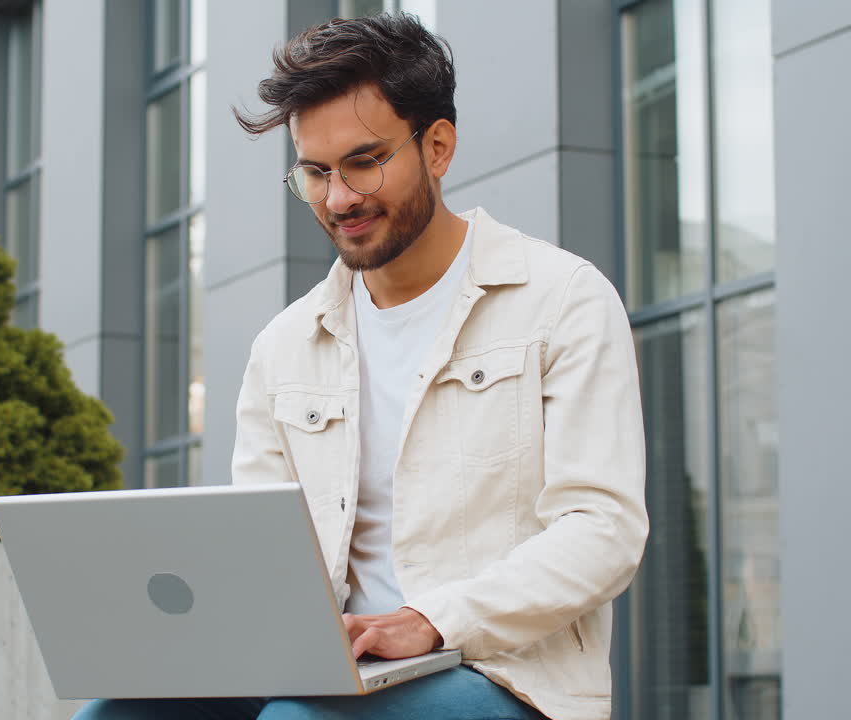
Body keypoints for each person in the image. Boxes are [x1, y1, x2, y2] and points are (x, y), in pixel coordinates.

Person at [75, 12, 646, 720]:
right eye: (314, 172)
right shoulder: (284, 348)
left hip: (499, 673)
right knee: (112, 716)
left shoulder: (562, 299)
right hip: (331, 665)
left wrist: (429, 620)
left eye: (364, 161)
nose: (339, 199)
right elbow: (260, 554)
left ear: (437, 147)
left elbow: (602, 530)